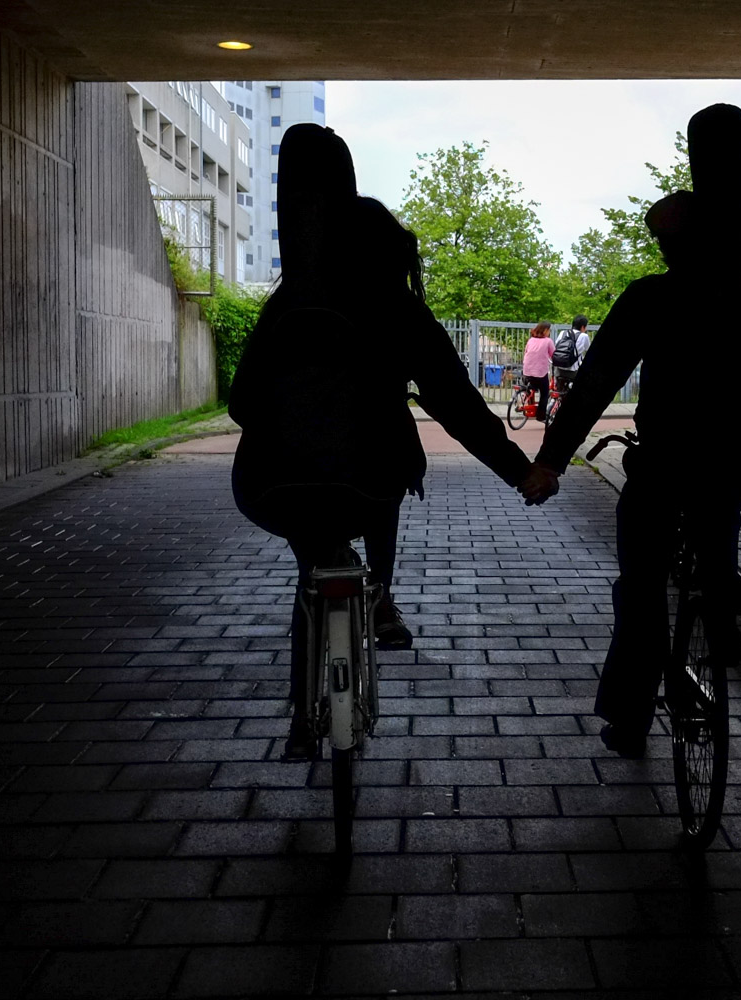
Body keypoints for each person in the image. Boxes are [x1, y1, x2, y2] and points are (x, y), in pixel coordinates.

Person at [228, 124, 559, 760]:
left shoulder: (284, 305)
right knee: (386, 477)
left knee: (309, 570)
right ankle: (378, 592)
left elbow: (242, 403)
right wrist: (524, 472)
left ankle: (301, 726)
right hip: (369, 479)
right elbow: (457, 403)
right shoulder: (394, 306)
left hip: (273, 484)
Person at [524, 104, 741, 759]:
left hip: (669, 463)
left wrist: (552, 461)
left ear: (667, 246)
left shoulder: (650, 298)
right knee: (718, 487)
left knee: (641, 583)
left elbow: (593, 387)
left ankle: (629, 716)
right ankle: (719, 576)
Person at [519, 322, 555, 423]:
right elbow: (554, 355)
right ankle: (541, 416)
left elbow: (526, 352)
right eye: (549, 330)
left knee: (531, 386)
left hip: (526, 371)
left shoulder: (531, 340)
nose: (549, 332)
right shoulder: (548, 341)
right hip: (540, 373)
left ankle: (527, 396)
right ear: (545, 331)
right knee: (544, 393)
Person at [551, 315, 592, 390]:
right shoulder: (584, 336)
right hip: (573, 371)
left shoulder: (563, 333)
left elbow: (556, 346)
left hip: (559, 369)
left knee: (559, 391)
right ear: (583, 327)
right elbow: (588, 350)